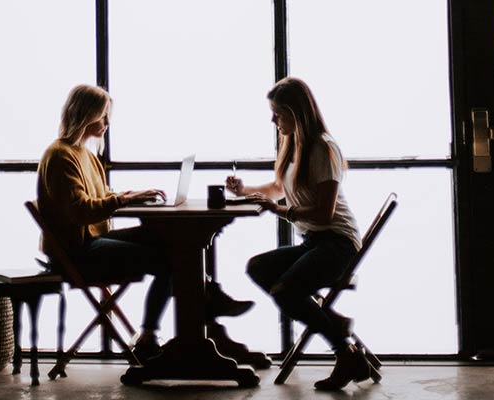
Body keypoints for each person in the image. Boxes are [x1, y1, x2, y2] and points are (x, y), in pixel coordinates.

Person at [37, 84, 252, 362]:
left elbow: (99, 199)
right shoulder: (60, 156)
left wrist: (130, 196)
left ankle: (206, 301)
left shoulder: (86, 155)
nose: (107, 122)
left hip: (89, 241)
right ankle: (169, 326)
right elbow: (81, 211)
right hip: (75, 252)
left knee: (167, 240)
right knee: (170, 258)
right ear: (85, 114)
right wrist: (125, 201)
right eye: (102, 116)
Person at [225, 77, 369, 390]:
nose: (272, 119)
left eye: (278, 113)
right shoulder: (295, 146)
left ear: (296, 113)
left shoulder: (323, 149)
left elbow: (323, 212)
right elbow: (279, 189)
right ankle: (337, 325)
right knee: (257, 267)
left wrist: (276, 210)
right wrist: (245, 191)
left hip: (338, 244)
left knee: (285, 292)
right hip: (315, 241)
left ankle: (345, 351)